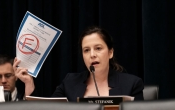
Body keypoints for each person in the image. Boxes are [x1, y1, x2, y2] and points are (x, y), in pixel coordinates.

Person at [13, 26, 144, 101]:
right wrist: (28, 84)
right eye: (86, 50)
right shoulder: (70, 82)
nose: (92, 54)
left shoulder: (131, 84)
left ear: (110, 53)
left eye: (98, 48)